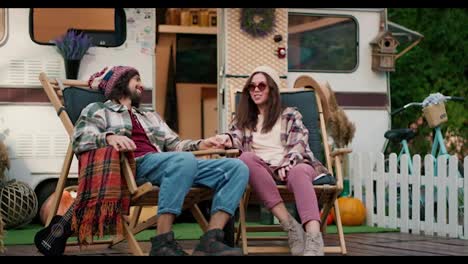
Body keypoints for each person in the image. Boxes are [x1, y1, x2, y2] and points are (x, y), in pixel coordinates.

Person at [72, 66, 249, 256]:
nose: (141, 85)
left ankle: (211, 239)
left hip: (171, 165)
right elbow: (80, 138)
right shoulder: (98, 110)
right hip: (133, 167)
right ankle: (162, 242)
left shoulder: (149, 115)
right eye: (136, 79)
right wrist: (108, 138)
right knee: (183, 161)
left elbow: (175, 145)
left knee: (237, 167)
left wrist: (201, 144)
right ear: (120, 82)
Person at [216, 66, 329, 256]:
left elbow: (300, 142)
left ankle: (314, 238)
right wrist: (226, 139)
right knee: (246, 158)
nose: (256, 90)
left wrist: (288, 162)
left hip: (296, 166)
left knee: (300, 172)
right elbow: (234, 137)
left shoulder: (290, 114)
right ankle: (291, 227)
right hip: (264, 173)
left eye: (262, 85)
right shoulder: (242, 120)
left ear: (272, 89)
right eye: (251, 87)